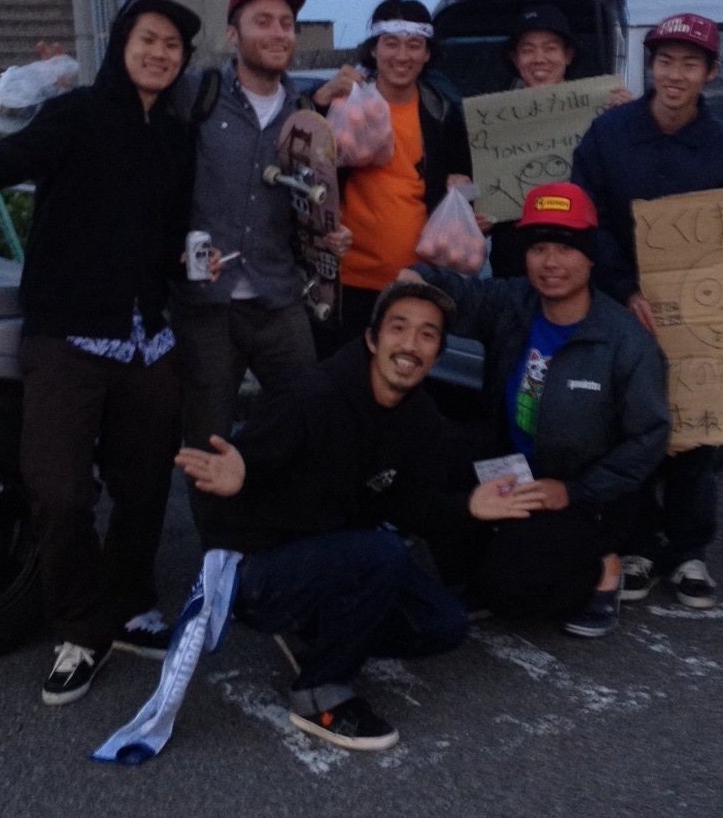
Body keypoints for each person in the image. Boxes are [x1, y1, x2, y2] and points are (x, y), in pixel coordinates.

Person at [0, 0, 204, 706]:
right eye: (149, 38)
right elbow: (13, 158)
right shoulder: (76, 113)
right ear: (122, 43)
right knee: (59, 490)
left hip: (146, 338)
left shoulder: (176, 137)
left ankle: (130, 601)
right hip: (66, 334)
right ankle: (79, 627)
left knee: (145, 486)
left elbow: (170, 232)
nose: (160, 53)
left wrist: (192, 258)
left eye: (173, 46)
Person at [175, 281, 532, 752]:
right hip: (257, 567)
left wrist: (469, 506)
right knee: (382, 552)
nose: (410, 344)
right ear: (372, 338)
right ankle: (319, 693)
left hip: (337, 558)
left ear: (438, 353)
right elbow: (239, 468)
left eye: (427, 335)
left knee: (443, 624)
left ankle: (316, 631)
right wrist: (242, 471)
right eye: (398, 328)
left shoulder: (421, 417)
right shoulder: (310, 396)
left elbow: (412, 508)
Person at [406, 183, 671, 638]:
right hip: (517, 471)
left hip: (590, 498)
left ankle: (601, 569)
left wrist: (575, 490)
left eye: (566, 248)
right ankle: (476, 576)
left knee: (511, 587)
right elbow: (458, 293)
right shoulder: (515, 302)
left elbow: (650, 439)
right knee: (427, 464)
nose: (550, 262)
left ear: (590, 257)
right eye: (539, 248)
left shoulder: (625, 341)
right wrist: (413, 276)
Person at [571, 13, 723, 610]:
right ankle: (638, 546)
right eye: (665, 61)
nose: (675, 74)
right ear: (651, 66)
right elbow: (588, 214)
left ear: (710, 73)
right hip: (622, 305)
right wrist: (625, 288)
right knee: (628, 426)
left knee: (695, 429)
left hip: (697, 314)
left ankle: (690, 550)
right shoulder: (608, 132)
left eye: (690, 64)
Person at [170, 0, 351, 476]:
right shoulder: (195, 93)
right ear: (233, 35)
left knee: (307, 424)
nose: (278, 33)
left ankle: (285, 522)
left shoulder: (306, 115)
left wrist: (329, 234)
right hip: (204, 305)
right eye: (263, 22)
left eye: (286, 24)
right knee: (206, 442)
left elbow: (313, 203)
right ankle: (216, 530)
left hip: (279, 297)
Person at [313, 0, 476, 341]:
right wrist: (320, 100)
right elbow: (301, 158)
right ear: (373, 49)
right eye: (391, 43)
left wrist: (462, 189)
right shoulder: (345, 105)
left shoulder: (443, 112)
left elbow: (469, 185)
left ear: (427, 54)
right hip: (347, 281)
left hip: (416, 281)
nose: (402, 56)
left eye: (414, 45)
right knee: (345, 370)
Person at [490, 4, 633, 277]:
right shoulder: (489, 121)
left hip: (583, 255)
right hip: (513, 263)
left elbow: (626, 179)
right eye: (528, 49)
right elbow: (477, 190)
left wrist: (633, 120)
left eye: (550, 48)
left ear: (568, 55)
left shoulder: (605, 112)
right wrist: (472, 207)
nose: (539, 59)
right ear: (515, 58)